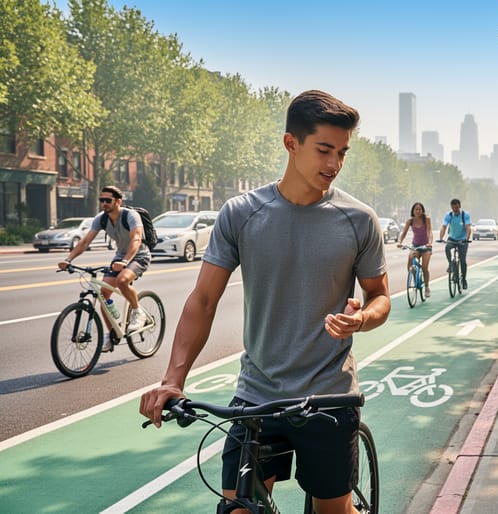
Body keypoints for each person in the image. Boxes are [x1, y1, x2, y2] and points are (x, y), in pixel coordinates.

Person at [140, 90, 390, 514]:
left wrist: (362, 318)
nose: (334, 164)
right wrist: (173, 379)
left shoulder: (359, 219)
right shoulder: (241, 213)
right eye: (324, 150)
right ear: (291, 143)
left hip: (329, 398)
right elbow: (203, 300)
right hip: (256, 397)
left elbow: (380, 295)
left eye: (343, 153)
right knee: (239, 510)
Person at [58, 185, 152, 350]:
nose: (104, 203)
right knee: (103, 293)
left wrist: (125, 261)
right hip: (119, 258)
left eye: (108, 200)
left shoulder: (131, 215)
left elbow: (136, 238)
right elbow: (85, 241)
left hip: (139, 256)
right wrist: (68, 259)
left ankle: (138, 312)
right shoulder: (101, 219)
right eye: (102, 200)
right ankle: (112, 333)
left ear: (118, 201)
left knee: (122, 280)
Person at [397, 201, 433, 297]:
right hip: (416, 245)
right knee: (410, 262)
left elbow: (429, 231)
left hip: (426, 246)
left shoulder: (426, 219)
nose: (418, 211)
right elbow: (403, 233)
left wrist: (429, 243)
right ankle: (415, 278)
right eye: (416, 209)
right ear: (413, 211)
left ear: (422, 210)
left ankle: (426, 287)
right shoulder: (410, 221)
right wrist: (400, 242)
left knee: (425, 267)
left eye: (420, 209)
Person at [438, 198, 472, 289]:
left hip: (463, 240)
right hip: (452, 238)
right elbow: (444, 227)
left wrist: (466, 239)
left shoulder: (465, 215)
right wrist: (441, 238)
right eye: (453, 208)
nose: (455, 210)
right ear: (451, 208)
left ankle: (464, 280)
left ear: (460, 206)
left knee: (463, 261)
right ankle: (451, 264)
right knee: (447, 247)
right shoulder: (449, 215)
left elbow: (468, 228)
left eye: (457, 207)